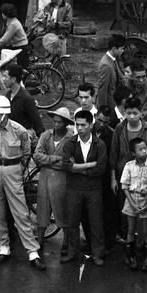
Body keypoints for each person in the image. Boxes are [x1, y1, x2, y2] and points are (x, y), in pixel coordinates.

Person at [0, 95, 45, 269]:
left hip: (13, 168)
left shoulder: (19, 130)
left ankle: (32, 251)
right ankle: (3, 246)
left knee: (20, 211)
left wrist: (18, 169)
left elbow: (26, 152)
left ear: (4, 114)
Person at [62, 110, 108, 265]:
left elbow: (101, 168)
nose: (80, 128)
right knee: (72, 222)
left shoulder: (99, 144)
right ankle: (72, 252)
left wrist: (77, 168)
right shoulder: (70, 143)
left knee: (96, 223)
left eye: (83, 125)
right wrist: (89, 166)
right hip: (74, 188)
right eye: (77, 124)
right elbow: (66, 165)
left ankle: (98, 254)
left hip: (93, 189)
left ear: (90, 125)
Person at [33, 107, 73, 253]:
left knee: (62, 210)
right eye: (55, 122)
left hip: (61, 179)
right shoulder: (46, 135)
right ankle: (40, 241)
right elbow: (37, 154)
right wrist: (54, 159)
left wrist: (48, 161)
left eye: (60, 123)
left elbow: (68, 161)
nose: (56, 125)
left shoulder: (70, 138)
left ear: (66, 123)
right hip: (44, 176)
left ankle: (66, 242)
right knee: (42, 209)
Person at [120, 136, 147, 271]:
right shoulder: (129, 166)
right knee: (131, 229)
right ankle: (130, 257)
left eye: (145, 148)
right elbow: (125, 187)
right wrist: (132, 204)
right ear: (133, 153)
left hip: (146, 200)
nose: (144, 151)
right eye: (140, 150)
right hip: (131, 200)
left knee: (146, 231)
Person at [97, 34, 126, 109]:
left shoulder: (114, 59)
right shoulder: (106, 66)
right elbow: (102, 90)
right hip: (110, 105)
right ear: (113, 49)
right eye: (121, 49)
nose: (123, 51)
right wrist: (103, 109)